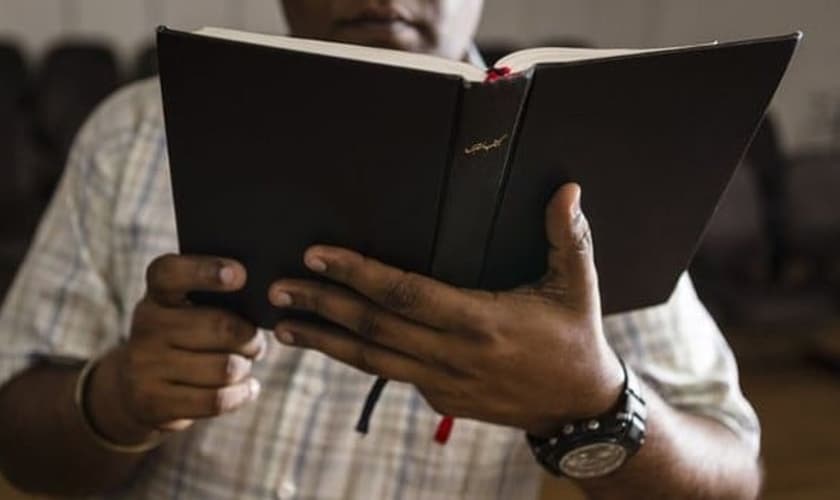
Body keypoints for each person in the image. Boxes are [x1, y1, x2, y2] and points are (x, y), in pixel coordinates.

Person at [0, 1, 762, 498]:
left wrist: (592, 403)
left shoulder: (579, 156)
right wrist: (121, 398)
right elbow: (19, 444)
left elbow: (732, 474)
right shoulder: (135, 137)